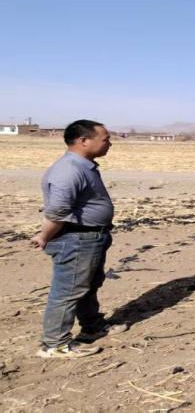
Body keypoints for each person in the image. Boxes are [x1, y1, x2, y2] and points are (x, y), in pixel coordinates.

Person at [30, 120, 128, 358]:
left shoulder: (83, 166)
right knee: (68, 291)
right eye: (105, 139)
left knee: (87, 286)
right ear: (84, 141)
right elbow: (57, 212)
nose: (110, 144)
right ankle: (55, 344)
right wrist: (44, 236)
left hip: (90, 238)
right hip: (76, 239)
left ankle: (92, 327)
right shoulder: (69, 170)